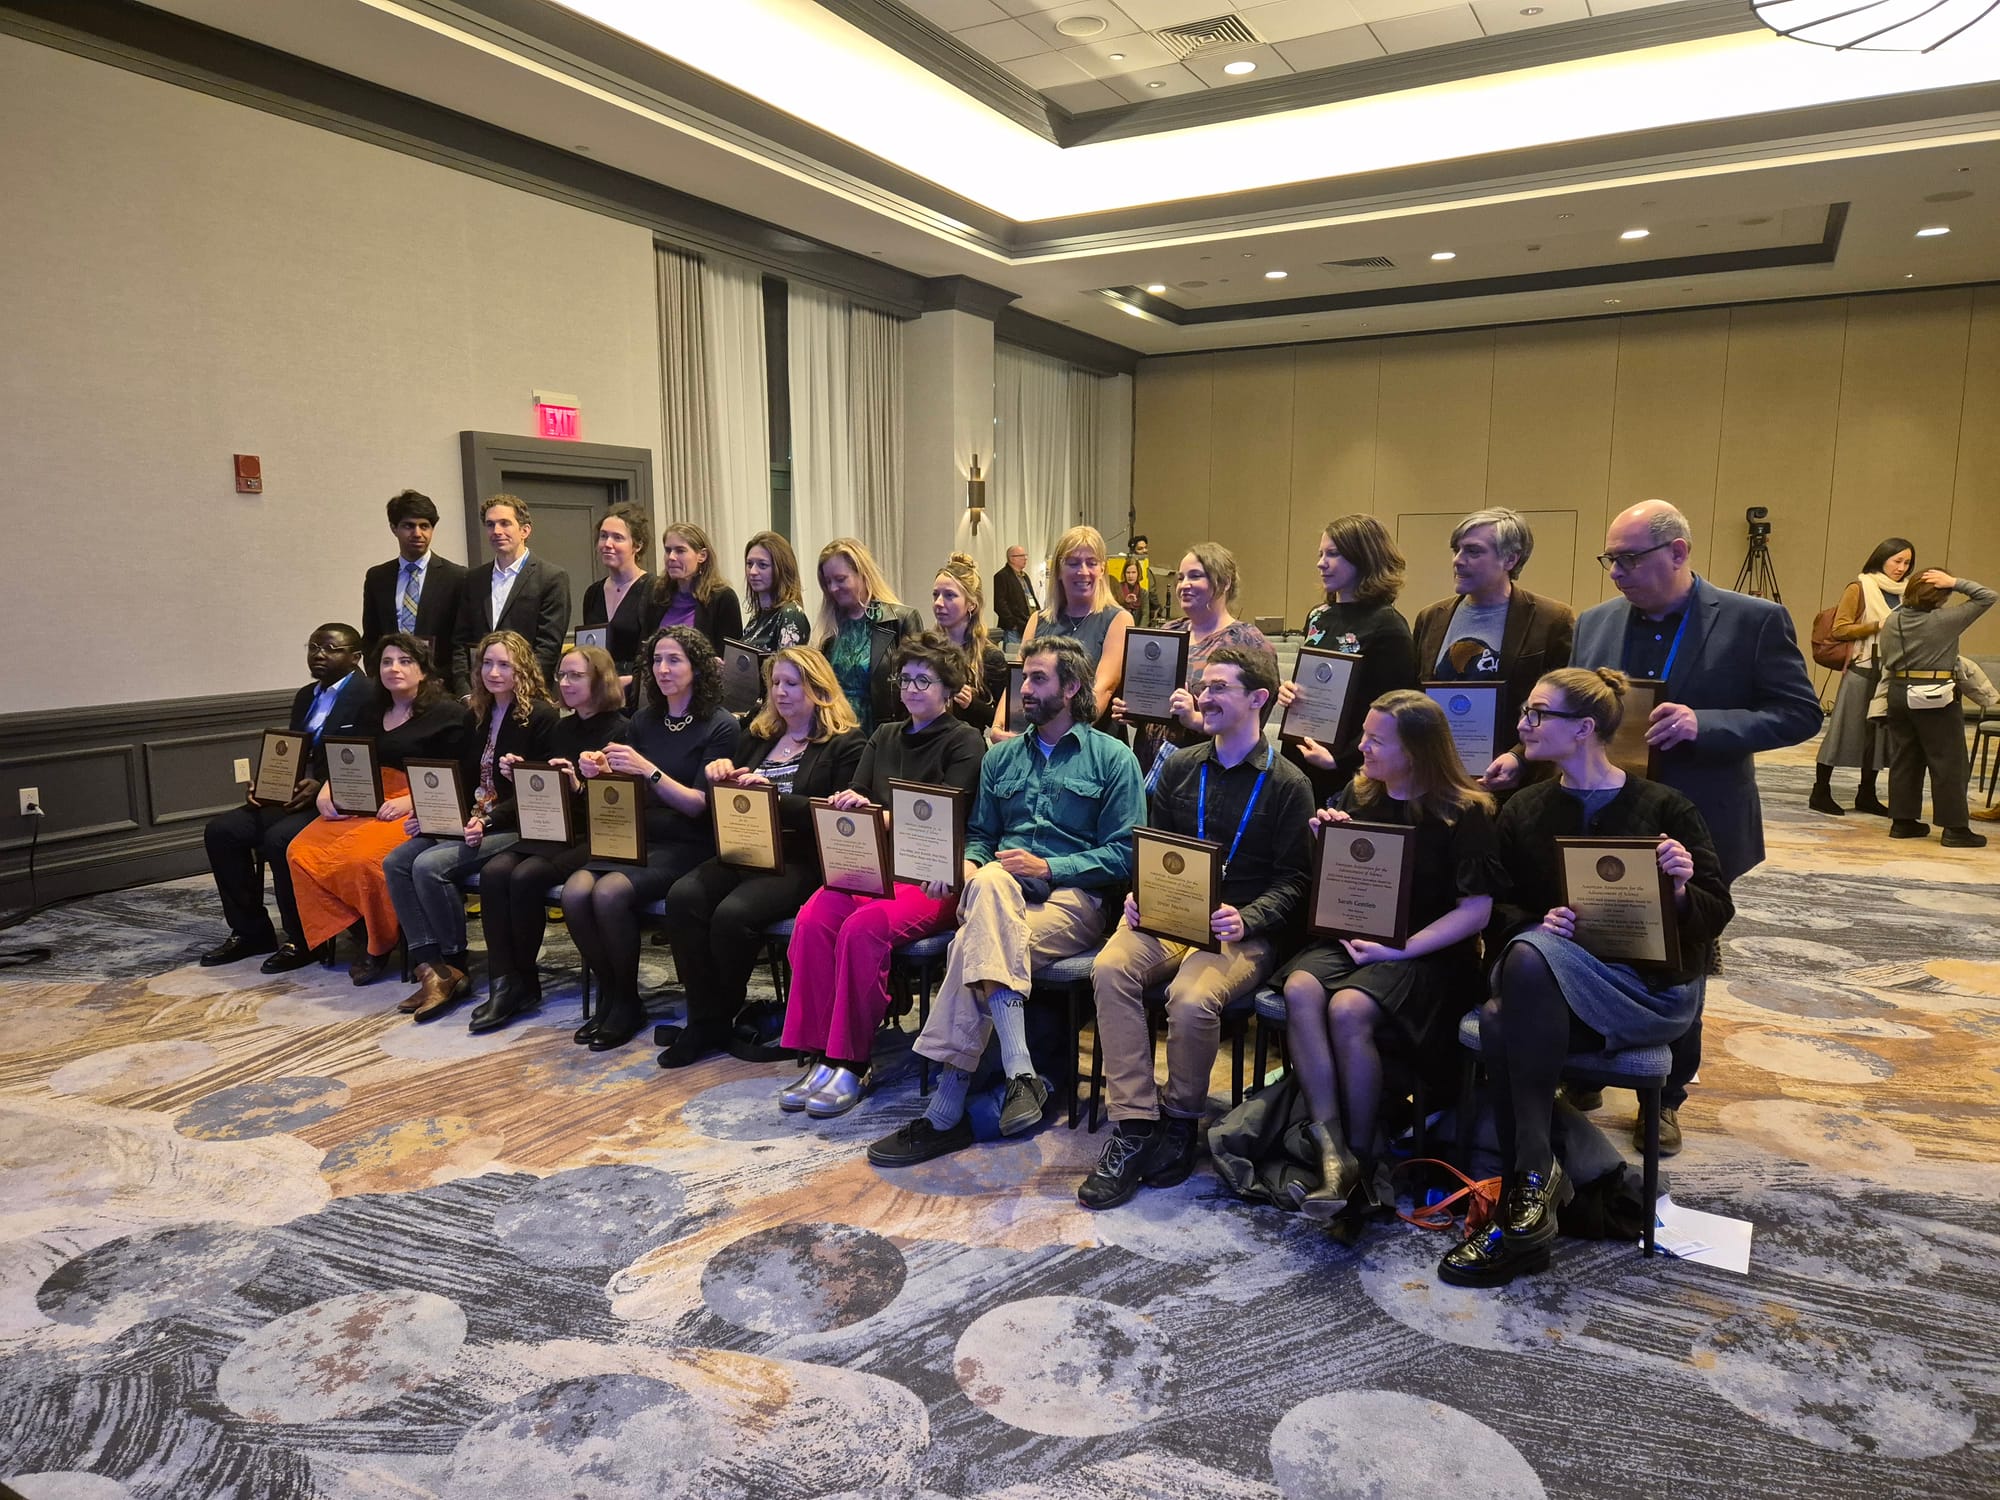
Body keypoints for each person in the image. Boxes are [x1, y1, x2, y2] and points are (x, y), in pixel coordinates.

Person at [1487, 500, 1819, 1153]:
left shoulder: (1753, 621)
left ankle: (1664, 1096)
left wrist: (1709, 724)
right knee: (1580, 922)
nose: (1617, 572)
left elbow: (1799, 713)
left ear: (1678, 551)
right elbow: (1573, 711)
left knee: (1680, 944)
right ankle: (1576, 1062)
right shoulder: (1599, 624)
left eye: (1630, 559)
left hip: (1695, 814)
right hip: (1597, 809)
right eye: (1610, 558)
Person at [1437, 668, 1731, 1288]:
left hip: (1648, 992)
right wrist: (1538, 920)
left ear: (1585, 728)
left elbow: (1715, 914)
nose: (1522, 725)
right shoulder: (1526, 809)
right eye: (1525, 711)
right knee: (1523, 963)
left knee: (1505, 1005)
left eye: (1538, 714)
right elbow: (1503, 909)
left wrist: (1678, 891)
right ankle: (1530, 1189)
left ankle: (1529, 1182)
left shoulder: (1663, 805)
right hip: (1551, 986)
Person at [867, 636, 1145, 1168]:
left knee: (970, 947)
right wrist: (969, 865)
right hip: (1000, 894)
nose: (1025, 688)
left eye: (1039, 679)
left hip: (1072, 901)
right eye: (1024, 678)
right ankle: (1020, 1072)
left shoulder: (1113, 758)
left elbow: (1126, 855)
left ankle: (946, 1111)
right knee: (991, 884)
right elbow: (978, 835)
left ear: (1072, 687)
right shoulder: (1002, 759)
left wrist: (1050, 867)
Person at [1078, 646, 1313, 1209]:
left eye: (1219, 689)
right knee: (1109, 968)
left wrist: (1247, 917)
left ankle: (1182, 1118)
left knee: (1189, 999)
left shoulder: (1288, 783)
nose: (1203, 698)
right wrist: (1139, 894)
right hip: (1170, 915)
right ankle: (1135, 1124)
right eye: (1202, 687)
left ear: (1258, 699)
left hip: (1240, 927)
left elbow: (1295, 881)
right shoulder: (1181, 765)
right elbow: (1152, 850)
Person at [1276, 692, 1501, 1221]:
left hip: (1430, 953)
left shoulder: (1467, 812)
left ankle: (1362, 1154)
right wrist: (1322, 842)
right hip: (1361, 938)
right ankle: (1332, 1152)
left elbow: (1477, 912)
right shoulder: (1358, 794)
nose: (1361, 747)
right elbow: (1337, 887)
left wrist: (1401, 949)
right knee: (1300, 988)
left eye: (1376, 740)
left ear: (1418, 750)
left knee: (1348, 1009)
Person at [779, 633, 987, 1116]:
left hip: (932, 875)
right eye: (905, 679)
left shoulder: (964, 741)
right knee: (813, 918)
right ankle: (817, 1054)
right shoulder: (885, 734)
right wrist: (849, 804)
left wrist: (879, 814)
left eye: (923, 680)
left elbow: (944, 819)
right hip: (876, 866)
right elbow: (858, 793)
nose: (911, 688)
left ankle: (849, 1059)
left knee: (861, 929)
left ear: (949, 687)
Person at [657, 648, 865, 1068]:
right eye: (775, 684)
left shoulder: (845, 742)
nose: (781, 693)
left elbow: (836, 814)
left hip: (802, 858)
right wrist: (721, 774)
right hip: (746, 848)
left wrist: (774, 798)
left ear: (818, 689)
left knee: (734, 914)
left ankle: (718, 1014)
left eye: (792, 684)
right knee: (683, 897)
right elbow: (734, 797)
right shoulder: (757, 734)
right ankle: (705, 1018)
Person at [566, 626, 739, 1050]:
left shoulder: (720, 725)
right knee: (574, 893)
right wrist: (598, 770)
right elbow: (626, 789)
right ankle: (614, 993)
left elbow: (699, 805)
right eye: (657, 660)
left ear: (697, 668)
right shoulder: (643, 721)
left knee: (608, 893)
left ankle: (625, 1002)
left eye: (674, 660)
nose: (662, 669)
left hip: (688, 843)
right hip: (637, 836)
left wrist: (647, 769)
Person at [384, 630, 558, 1022]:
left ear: (522, 669)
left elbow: (541, 794)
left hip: (517, 824)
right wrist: (430, 815)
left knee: (429, 866)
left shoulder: (541, 717)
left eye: (504, 665)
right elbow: (463, 779)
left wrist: (487, 818)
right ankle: (433, 966)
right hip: (472, 818)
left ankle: (452, 960)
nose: (494, 672)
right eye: (487, 664)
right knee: (396, 862)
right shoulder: (475, 713)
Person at [287, 635, 473, 984]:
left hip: (419, 802)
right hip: (366, 798)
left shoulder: (449, 713)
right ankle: (361, 930)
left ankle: (377, 945)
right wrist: (329, 787)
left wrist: (411, 801)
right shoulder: (370, 709)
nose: (394, 669)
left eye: (404, 661)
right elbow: (347, 755)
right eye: (387, 662)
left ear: (422, 669)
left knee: (364, 860)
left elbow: (462, 774)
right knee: (301, 851)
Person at [468, 644, 629, 1034]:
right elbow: (543, 795)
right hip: (554, 829)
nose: (566, 683)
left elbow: (620, 806)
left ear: (600, 680)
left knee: (525, 877)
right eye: (562, 675)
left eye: (576, 675)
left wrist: (576, 785)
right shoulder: (563, 727)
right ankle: (505, 980)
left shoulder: (622, 729)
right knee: (494, 873)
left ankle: (523, 982)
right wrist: (521, 777)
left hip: (597, 834)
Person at [200, 624, 373, 972]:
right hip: (291, 795)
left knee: (280, 839)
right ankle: (250, 931)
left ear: (355, 656)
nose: (319, 654)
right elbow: (292, 751)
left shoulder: (370, 696)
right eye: (313, 647)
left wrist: (323, 784)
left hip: (338, 800)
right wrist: (265, 784)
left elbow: (371, 760)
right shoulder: (306, 695)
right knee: (222, 831)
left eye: (330, 648)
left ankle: (304, 938)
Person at [1411, 508, 1574, 755]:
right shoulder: (1431, 618)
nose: (1458, 560)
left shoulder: (1551, 619)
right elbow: (1414, 696)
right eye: (1457, 550)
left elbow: (1564, 706)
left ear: (1510, 559)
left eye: (1473, 551)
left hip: (1514, 772)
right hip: (1437, 768)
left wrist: (1518, 758)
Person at [1281, 514, 1419, 804]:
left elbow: (1394, 711)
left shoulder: (1388, 626)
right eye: (1320, 554)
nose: (1321, 563)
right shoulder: (1318, 616)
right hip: (1300, 751)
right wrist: (1290, 692)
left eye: (1333, 554)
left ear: (1363, 559)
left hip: (1348, 766)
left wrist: (1340, 760)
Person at [1115, 543, 1268, 776]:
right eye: (1180, 578)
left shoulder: (1248, 642)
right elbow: (1157, 711)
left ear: (1225, 582)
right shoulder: (1168, 632)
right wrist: (1135, 710)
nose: (1184, 585)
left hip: (1209, 774)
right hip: (1150, 770)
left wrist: (1195, 719)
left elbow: (1254, 724)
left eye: (1195, 576)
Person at [1879, 568, 1995, 848]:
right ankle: (1955, 828)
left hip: (1898, 692)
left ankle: (1903, 822)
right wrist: (1956, 581)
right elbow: (1987, 596)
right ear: (1941, 596)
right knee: (1949, 762)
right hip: (1935, 697)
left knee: (1905, 759)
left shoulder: (1893, 619)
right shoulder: (1945, 620)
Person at [1811, 538, 1913, 817]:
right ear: (1882, 558)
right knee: (1843, 730)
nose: (1901, 568)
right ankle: (1820, 790)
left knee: (1880, 734)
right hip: (1862, 666)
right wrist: (1877, 626)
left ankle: (1867, 793)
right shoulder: (1860, 587)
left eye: (1906, 563)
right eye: (1897, 561)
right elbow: (1841, 629)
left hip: (1891, 670)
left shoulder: (1907, 593)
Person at [1009, 525, 1132, 737]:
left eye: (1091, 563)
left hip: (1090, 742)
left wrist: (1060, 738)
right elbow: (1018, 684)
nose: (1083, 571)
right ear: (1058, 570)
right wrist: (1002, 727)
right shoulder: (1037, 620)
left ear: (1102, 569)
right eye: (1073, 563)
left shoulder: (1119, 619)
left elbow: (1103, 688)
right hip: (1037, 740)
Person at [453, 494, 571, 687]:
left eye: (505, 523)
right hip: (481, 693)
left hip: (530, 694)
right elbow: (460, 642)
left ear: (525, 530)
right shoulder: (474, 579)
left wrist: (523, 689)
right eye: (490, 525)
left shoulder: (551, 577)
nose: (496, 531)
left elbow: (548, 646)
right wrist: (464, 690)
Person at [815, 537, 923, 734]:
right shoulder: (830, 630)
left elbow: (918, 688)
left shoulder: (900, 620)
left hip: (884, 736)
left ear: (863, 574)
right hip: (838, 736)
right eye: (828, 582)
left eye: (840, 579)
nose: (833, 588)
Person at [362, 490, 466, 687]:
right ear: (394, 528)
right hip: (390, 685)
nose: (417, 533)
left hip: (439, 685)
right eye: (409, 526)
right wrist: (377, 674)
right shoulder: (378, 577)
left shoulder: (457, 577)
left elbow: (460, 640)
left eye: (424, 526)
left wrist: (442, 679)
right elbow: (370, 636)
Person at [580, 503, 653, 695]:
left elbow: (655, 653)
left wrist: (631, 681)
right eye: (603, 536)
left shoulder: (655, 589)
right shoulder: (593, 593)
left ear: (637, 545)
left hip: (637, 694)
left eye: (617, 538)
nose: (607, 544)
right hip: (599, 695)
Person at [932, 553, 1009, 732]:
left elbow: (1000, 720)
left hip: (967, 749)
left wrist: (972, 704)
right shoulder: (927, 649)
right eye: (936, 595)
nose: (939, 603)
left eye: (949, 595)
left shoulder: (990, 656)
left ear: (971, 604)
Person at [644, 520, 743, 660]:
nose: (671, 557)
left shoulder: (723, 598)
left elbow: (731, 660)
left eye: (680, 551)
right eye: (668, 550)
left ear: (702, 556)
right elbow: (644, 654)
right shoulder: (658, 595)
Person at [740, 530, 811, 655]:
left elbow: (787, 671)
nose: (752, 571)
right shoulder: (757, 617)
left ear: (782, 569)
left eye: (762, 565)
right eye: (749, 564)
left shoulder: (791, 615)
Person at [993, 544, 1040, 649]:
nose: (1025, 558)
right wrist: (1012, 624)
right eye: (1022, 555)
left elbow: (1030, 597)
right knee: (1015, 658)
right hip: (1013, 629)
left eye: (1025, 555)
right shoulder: (1002, 576)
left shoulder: (1025, 576)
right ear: (1012, 558)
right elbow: (1000, 603)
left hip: (1027, 624)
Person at [1130, 534, 1171, 623]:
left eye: (1145, 548)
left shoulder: (1126, 567)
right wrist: (1158, 608)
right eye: (1140, 549)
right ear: (1132, 551)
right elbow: (1152, 592)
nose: (1144, 551)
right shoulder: (1144, 570)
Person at [1114, 560, 1155, 628]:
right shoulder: (1117, 590)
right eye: (1128, 572)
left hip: (1136, 629)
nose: (1130, 575)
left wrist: (1138, 632)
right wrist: (1125, 602)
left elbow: (1145, 616)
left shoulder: (1143, 593)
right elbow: (1112, 611)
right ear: (1124, 574)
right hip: (1119, 627)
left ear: (1138, 573)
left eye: (1133, 572)